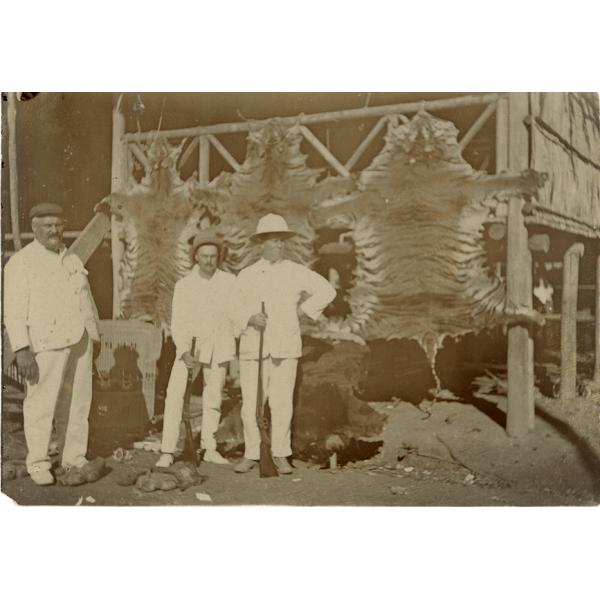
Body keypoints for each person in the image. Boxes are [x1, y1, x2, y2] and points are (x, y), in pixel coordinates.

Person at [3, 202, 101, 486]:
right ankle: (38, 462)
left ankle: (73, 457)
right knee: (41, 403)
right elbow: (14, 312)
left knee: (77, 403)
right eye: (47, 225)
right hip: (45, 344)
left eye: (58, 225)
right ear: (34, 228)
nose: (54, 230)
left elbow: (86, 302)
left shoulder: (71, 260)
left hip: (80, 340)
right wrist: (22, 350)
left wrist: (95, 337)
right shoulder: (20, 263)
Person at [234, 214, 336, 474]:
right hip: (253, 347)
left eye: (282, 241)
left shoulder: (296, 272)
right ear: (261, 244)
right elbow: (232, 308)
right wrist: (250, 317)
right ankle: (252, 453)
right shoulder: (246, 275)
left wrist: (304, 310)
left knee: (281, 403)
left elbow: (328, 291)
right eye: (273, 241)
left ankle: (280, 454)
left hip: (285, 346)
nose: (279, 246)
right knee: (252, 404)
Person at [156, 228, 238, 468]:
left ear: (218, 257)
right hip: (191, 350)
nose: (209, 261)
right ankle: (168, 451)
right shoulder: (184, 285)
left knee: (213, 399)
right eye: (205, 256)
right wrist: (183, 351)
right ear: (196, 257)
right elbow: (178, 322)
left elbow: (237, 313)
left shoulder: (229, 282)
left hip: (220, 346)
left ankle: (209, 448)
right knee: (175, 396)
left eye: (213, 256)